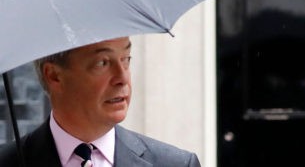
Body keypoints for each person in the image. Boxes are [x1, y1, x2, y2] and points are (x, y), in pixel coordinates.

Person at [0, 37, 201, 167]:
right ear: (54, 76)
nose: (122, 78)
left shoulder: (177, 164)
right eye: (103, 63)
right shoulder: (11, 162)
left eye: (126, 59)